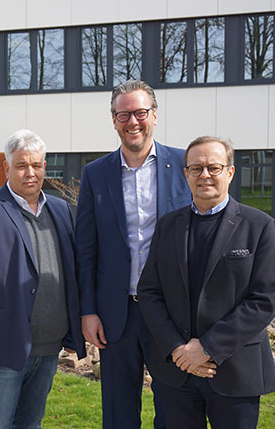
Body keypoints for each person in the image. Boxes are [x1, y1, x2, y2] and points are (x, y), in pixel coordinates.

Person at [138, 136, 275, 428]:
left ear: (229, 172)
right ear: (185, 174)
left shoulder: (260, 226)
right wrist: (178, 349)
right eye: (196, 168)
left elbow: (264, 300)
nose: (204, 175)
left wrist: (206, 348)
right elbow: (150, 291)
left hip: (234, 371)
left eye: (213, 167)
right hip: (176, 372)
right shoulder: (168, 226)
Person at [75, 79, 192, 428]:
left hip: (170, 313)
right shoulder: (95, 174)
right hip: (116, 315)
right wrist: (88, 311)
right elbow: (86, 248)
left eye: (140, 112)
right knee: (119, 412)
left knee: (174, 410)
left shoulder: (185, 166)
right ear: (114, 120)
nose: (133, 122)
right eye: (123, 114)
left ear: (154, 116)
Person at [0, 129, 86, 428]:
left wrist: (75, 332)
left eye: (36, 165)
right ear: (7, 168)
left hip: (50, 347)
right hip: (2, 347)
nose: (30, 173)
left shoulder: (61, 210)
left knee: (30, 423)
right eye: (22, 165)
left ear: (45, 168)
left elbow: (72, 274)